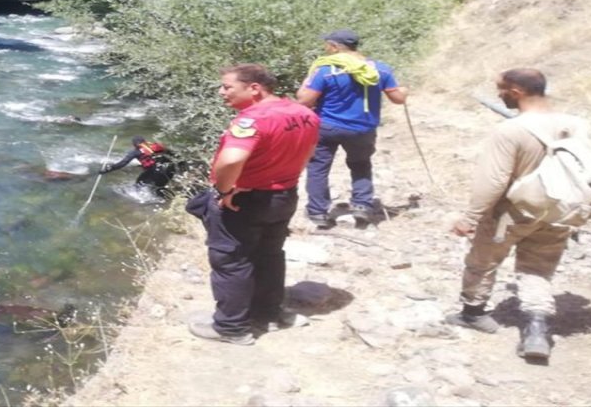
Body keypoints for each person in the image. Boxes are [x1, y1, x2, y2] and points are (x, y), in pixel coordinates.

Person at [447, 68, 591, 363]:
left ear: (515, 91)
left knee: (483, 261)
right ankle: (537, 329)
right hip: (559, 211)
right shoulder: (577, 125)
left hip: (513, 213)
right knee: (537, 269)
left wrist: (470, 217)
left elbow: (492, 181)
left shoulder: (511, 130)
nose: (499, 95)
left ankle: (473, 314)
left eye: (501, 90)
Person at [186, 64, 320, 345]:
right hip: (284, 195)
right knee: (269, 255)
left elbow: (232, 159)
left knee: (231, 261)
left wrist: (225, 190)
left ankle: (231, 328)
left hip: (246, 200)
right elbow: (308, 152)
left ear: (254, 88)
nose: (221, 92)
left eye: (227, 87)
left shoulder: (252, 120)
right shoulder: (304, 113)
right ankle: (269, 314)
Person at [296, 29, 407, 228]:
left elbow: (304, 100)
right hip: (363, 129)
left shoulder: (325, 70)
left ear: (335, 47)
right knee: (361, 165)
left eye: (327, 45)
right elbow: (398, 99)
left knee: (318, 168)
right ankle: (362, 206)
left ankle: (318, 213)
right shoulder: (379, 69)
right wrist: (405, 91)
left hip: (327, 127)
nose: (326, 49)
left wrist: (306, 82)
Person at [99, 136, 177, 192]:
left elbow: (122, 163)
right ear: (145, 141)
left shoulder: (135, 152)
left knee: (139, 183)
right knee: (160, 186)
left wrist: (109, 169)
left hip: (156, 171)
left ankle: (143, 198)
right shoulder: (155, 145)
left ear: (134, 144)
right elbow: (172, 153)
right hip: (170, 169)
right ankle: (170, 199)